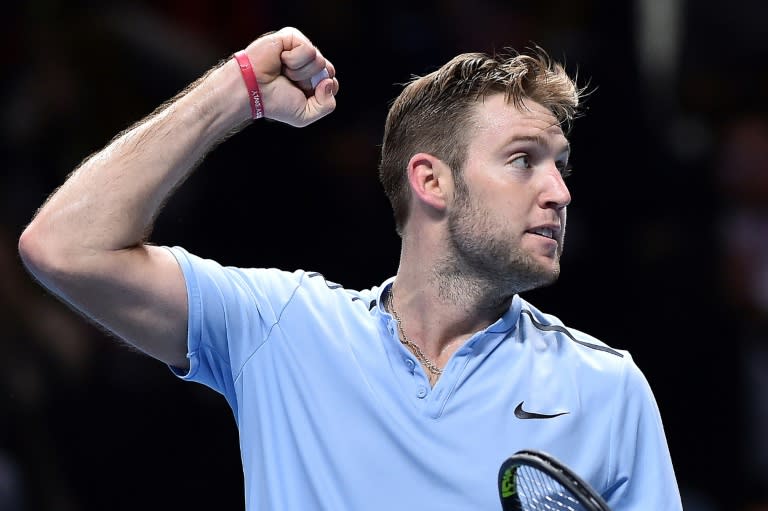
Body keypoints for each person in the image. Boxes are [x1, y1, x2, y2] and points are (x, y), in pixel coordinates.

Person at [18, 26, 682, 510]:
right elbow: (65, 246)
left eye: (560, 166)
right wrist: (238, 87)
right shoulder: (283, 328)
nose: (559, 193)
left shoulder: (607, 388)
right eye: (523, 160)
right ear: (431, 180)